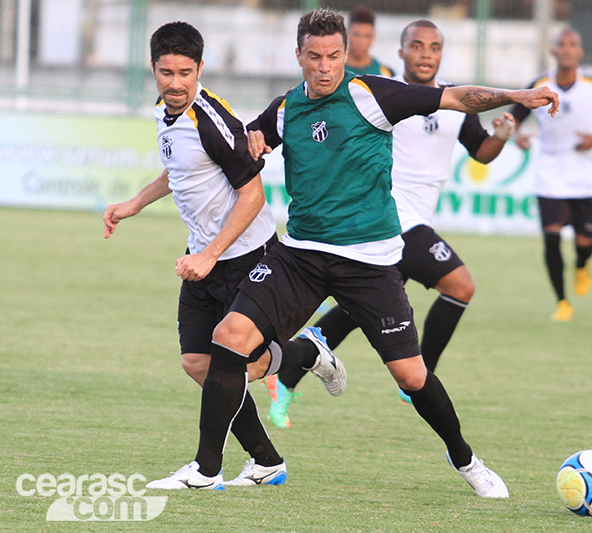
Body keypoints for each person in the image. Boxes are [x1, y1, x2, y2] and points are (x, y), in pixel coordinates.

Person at [148, 8, 558, 498]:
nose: (325, 67)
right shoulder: (285, 109)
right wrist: (253, 139)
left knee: (411, 375)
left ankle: (467, 460)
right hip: (299, 255)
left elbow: (455, 97)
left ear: (347, 54)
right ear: (298, 55)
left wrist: (513, 96)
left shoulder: (370, 94)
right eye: (315, 57)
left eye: (334, 56)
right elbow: (242, 145)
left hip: (370, 261)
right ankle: (207, 468)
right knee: (229, 337)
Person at [104, 21, 345, 489]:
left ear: (200, 69)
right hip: (202, 256)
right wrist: (134, 204)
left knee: (232, 366)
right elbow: (179, 170)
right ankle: (267, 460)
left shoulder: (212, 120)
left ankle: (208, 467)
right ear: (153, 68)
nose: (175, 83)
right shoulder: (165, 111)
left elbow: (253, 195)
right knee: (197, 364)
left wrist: (212, 254)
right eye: (165, 72)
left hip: (243, 257)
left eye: (185, 72)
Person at [269, 19, 517, 427]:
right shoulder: (381, 94)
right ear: (400, 52)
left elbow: (481, 151)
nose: (424, 54)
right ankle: (418, 379)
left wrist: (502, 135)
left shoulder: (450, 104)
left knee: (357, 308)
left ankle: (292, 374)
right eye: (415, 46)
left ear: (441, 54)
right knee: (460, 285)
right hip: (393, 218)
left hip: (402, 225)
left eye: (433, 47)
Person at [511, 27, 592, 321]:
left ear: (580, 52)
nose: (566, 49)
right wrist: (516, 135)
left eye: (572, 44)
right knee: (551, 239)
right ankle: (562, 302)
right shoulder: (539, 85)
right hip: (550, 174)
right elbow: (513, 117)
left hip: (586, 177)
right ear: (553, 51)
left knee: (584, 244)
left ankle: (582, 265)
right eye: (561, 44)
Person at [344, 6, 394, 77]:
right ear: (346, 34)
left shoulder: (386, 74)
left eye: (367, 36)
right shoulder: (333, 70)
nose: (361, 41)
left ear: (373, 37)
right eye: (356, 35)